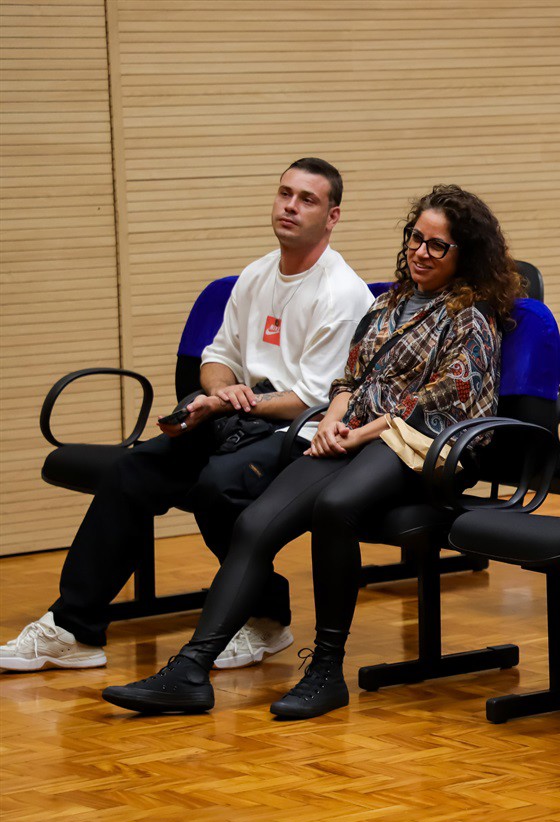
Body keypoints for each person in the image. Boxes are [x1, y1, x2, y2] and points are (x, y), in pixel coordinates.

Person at [100, 184, 523, 720]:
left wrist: (358, 433)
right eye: (416, 238)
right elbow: (348, 379)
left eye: (437, 245)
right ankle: (189, 670)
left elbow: (441, 402)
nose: (420, 252)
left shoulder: (471, 318)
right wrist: (331, 420)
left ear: (466, 254)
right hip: (358, 433)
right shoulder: (389, 303)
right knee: (256, 522)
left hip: (423, 444)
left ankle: (326, 671)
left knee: (334, 507)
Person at [0, 158, 372, 673]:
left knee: (219, 486)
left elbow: (312, 396)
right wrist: (219, 390)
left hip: (298, 432)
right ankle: (73, 629)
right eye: (285, 193)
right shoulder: (257, 274)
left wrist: (228, 401)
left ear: (332, 217)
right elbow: (217, 356)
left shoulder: (343, 293)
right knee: (132, 470)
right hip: (243, 415)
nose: (290, 206)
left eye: (307, 199)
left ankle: (266, 616)